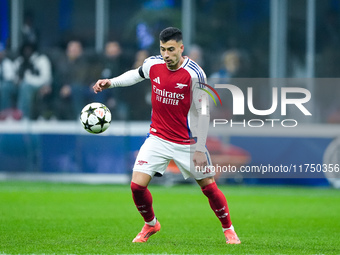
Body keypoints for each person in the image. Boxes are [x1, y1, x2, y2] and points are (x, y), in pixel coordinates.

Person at [93, 27, 241, 244]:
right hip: (157, 138)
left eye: (171, 50)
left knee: (209, 187)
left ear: (181, 48)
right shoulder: (154, 64)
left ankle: (229, 229)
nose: (166, 55)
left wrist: (200, 148)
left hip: (186, 141)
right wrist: (111, 82)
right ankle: (151, 224)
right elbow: (136, 74)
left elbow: (203, 112)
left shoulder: (194, 74)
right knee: (136, 186)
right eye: (163, 49)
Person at [14, 41, 52, 119]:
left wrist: (29, 80)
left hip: (40, 85)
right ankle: (5, 115)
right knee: (5, 88)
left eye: (29, 49)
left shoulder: (41, 59)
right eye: (25, 49)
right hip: (21, 86)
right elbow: (14, 77)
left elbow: (46, 78)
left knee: (26, 87)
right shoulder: (19, 61)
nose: (27, 51)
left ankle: (24, 116)